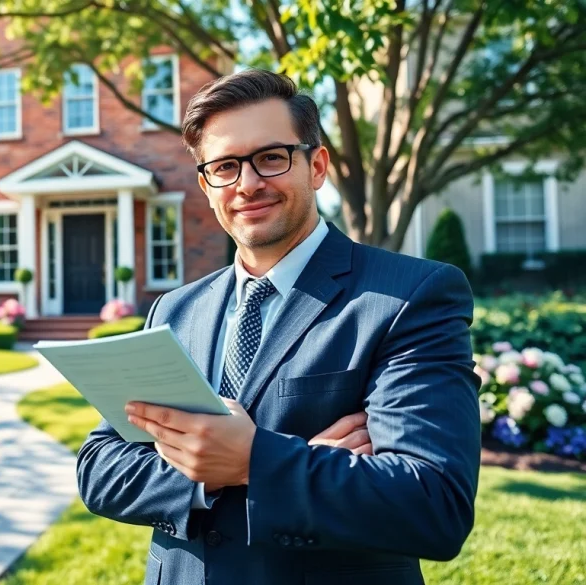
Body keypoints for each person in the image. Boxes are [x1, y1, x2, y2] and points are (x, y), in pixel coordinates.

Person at [75, 69, 481, 585]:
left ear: (317, 165)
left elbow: (433, 503)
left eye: (271, 157)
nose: (247, 184)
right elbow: (100, 470)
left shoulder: (409, 297)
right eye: (224, 166)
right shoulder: (174, 310)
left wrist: (252, 458)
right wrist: (227, 470)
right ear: (205, 185)